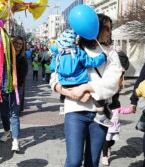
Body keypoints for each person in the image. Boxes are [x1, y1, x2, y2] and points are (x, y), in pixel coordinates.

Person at [50, 14, 122, 167]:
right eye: (106, 28)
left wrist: (86, 87)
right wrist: (72, 94)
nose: (109, 32)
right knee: (74, 160)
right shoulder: (72, 51)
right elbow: (54, 80)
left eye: (110, 29)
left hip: (100, 114)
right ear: (95, 28)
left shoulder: (111, 54)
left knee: (92, 161)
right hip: (75, 111)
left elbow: (113, 83)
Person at [52, 29, 111, 127]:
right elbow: (92, 62)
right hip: (80, 81)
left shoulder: (59, 55)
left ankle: (62, 104)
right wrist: (103, 56)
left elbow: (53, 67)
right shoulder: (78, 52)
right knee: (96, 93)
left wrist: (55, 57)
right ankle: (101, 115)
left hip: (65, 83)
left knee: (66, 90)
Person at [13, 36, 28, 112]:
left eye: (20, 44)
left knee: (15, 113)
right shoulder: (8, 55)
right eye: (16, 43)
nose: (18, 45)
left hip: (17, 86)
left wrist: (16, 84)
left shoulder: (23, 58)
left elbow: (23, 74)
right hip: (6, 86)